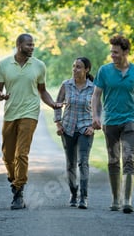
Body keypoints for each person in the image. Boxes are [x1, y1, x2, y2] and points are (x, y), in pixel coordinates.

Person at [0, 33, 63, 210]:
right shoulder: (3, 65)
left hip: (30, 112)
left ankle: (18, 191)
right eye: (28, 45)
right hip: (10, 113)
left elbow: (42, 91)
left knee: (21, 153)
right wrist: (0, 96)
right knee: (7, 156)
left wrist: (53, 104)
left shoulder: (39, 66)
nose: (32, 48)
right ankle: (14, 179)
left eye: (33, 45)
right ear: (19, 45)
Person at [91, 35, 134, 214]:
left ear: (126, 52)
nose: (112, 55)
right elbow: (96, 95)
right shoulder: (104, 71)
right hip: (110, 122)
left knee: (129, 158)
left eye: (116, 52)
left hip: (131, 120)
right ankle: (115, 199)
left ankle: (127, 200)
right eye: (111, 52)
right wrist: (95, 116)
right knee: (114, 160)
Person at [54, 57, 96, 209]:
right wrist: (58, 124)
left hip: (86, 129)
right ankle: (73, 193)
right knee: (71, 163)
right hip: (68, 129)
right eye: (74, 66)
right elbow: (57, 105)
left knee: (83, 162)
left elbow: (100, 110)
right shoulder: (66, 85)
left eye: (78, 67)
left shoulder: (94, 88)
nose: (75, 69)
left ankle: (84, 197)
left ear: (86, 70)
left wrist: (93, 126)